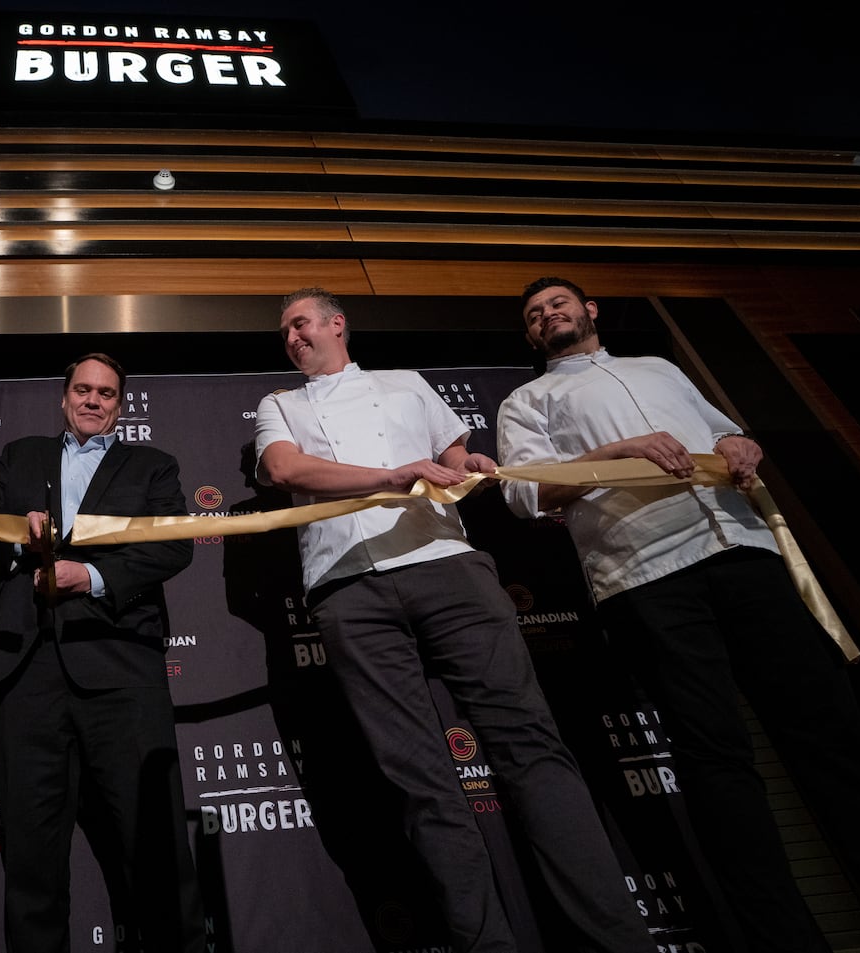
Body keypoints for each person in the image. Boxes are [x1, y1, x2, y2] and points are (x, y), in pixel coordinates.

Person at [496, 276, 860, 953]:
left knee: (834, 737)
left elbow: (726, 434)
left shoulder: (659, 367)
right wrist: (618, 451)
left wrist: (742, 443)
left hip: (745, 552)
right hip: (645, 577)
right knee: (716, 761)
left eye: (558, 304)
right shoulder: (528, 399)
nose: (548, 316)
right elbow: (526, 493)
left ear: (589, 310)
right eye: (535, 315)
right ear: (532, 336)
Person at [253, 288, 653, 953]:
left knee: (533, 749)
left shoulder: (406, 383)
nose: (292, 336)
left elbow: (455, 452)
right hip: (348, 588)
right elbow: (285, 467)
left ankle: (621, 943)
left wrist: (470, 463)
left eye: (301, 322)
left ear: (335, 323)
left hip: (447, 565)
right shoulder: (279, 404)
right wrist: (387, 475)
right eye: (285, 331)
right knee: (420, 778)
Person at [0, 353, 203, 953]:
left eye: (106, 393)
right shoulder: (21, 456)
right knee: (30, 857)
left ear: (121, 406)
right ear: (64, 397)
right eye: (83, 390)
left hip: (120, 668)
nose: (93, 400)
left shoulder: (152, 466)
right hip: (27, 674)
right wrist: (20, 537)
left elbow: (172, 549)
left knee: (154, 846)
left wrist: (87, 577)